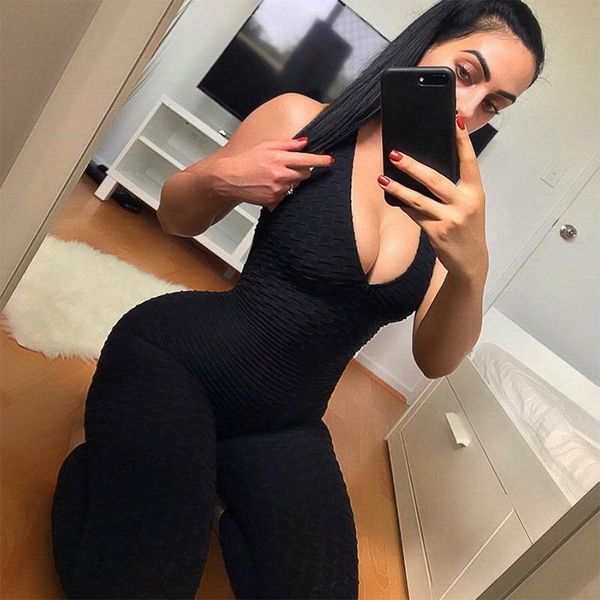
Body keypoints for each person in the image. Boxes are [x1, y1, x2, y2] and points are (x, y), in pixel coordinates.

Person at [50, 0, 545, 598]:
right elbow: (178, 220)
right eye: (464, 74)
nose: (468, 108)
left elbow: (434, 359)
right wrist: (219, 178)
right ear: (424, 46)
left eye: (494, 104)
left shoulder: (448, 204)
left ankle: (205, 481)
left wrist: (472, 267)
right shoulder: (301, 118)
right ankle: (96, 448)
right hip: (178, 360)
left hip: (284, 423)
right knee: (140, 584)